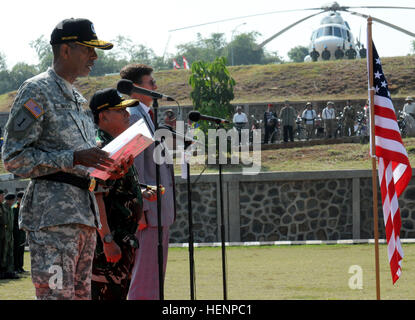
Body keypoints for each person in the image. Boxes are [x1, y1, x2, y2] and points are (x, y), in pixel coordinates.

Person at [2, 18, 118, 300]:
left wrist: (107, 165)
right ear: (65, 50)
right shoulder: (36, 91)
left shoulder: (78, 98)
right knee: (55, 297)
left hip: (83, 215)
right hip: (52, 218)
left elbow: (83, 159)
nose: (94, 56)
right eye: (88, 49)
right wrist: (74, 157)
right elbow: (14, 157)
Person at [88, 88, 156, 300]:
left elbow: (114, 187)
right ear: (103, 116)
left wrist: (141, 191)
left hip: (123, 238)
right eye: (120, 110)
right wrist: (107, 240)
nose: (127, 115)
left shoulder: (117, 144)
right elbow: (95, 195)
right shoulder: (100, 148)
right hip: (109, 243)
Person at [120, 63, 176, 300]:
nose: (156, 86)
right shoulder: (134, 116)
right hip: (148, 212)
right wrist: (139, 210)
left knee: (153, 279)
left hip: (157, 209)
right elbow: (134, 167)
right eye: (151, 83)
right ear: (136, 88)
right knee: (144, 280)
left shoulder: (144, 115)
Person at [0, 192, 18, 279]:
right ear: (10, 200)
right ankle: (3, 271)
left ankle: (9, 271)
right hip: (3, 233)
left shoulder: (10, 208)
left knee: (10, 253)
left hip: (9, 234)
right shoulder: (3, 207)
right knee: (3, 253)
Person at [12, 191, 26, 274]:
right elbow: (13, 221)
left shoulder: (23, 206)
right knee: (16, 250)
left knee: (21, 250)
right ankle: (16, 267)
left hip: (22, 232)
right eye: (22, 198)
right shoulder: (15, 207)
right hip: (17, 232)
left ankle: (21, 267)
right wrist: (19, 228)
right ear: (19, 199)